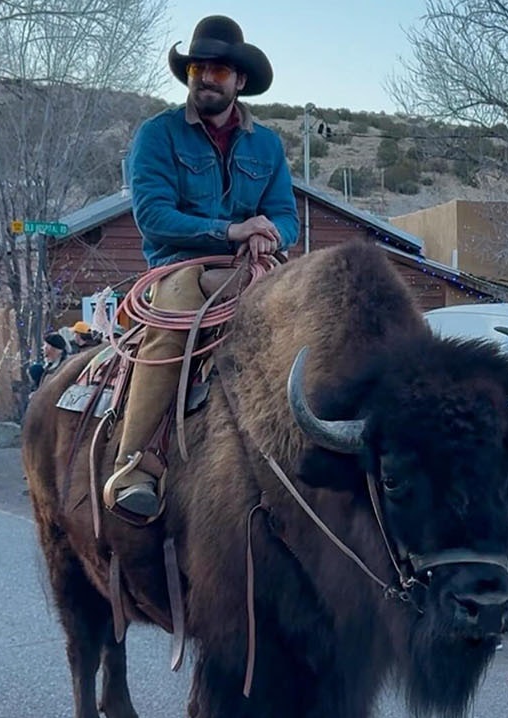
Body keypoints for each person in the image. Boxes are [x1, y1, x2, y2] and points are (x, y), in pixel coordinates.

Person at [105, 14, 300, 522]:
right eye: (199, 68)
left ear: (239, 80)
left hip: (253, 267)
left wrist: (269, 234)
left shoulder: (268, 145)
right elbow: (152, 216)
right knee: (175, 326)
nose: (207, 77)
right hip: (181, 266)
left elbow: (285, 215)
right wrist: (231, 230)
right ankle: (136, 467)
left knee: (312, 320)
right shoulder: (158, 135)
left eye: (218, 70)